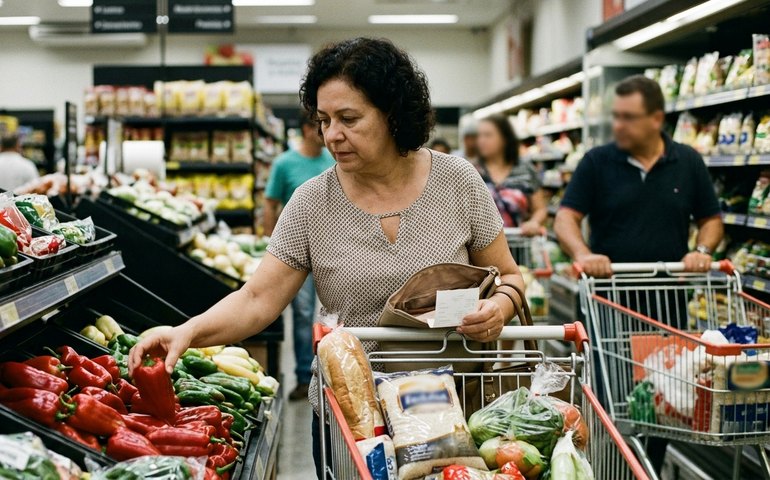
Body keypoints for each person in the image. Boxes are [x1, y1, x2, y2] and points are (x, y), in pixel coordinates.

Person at [129, 37, 525, 478]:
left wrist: (499, 307)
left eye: (349, 119)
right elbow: (258, 298)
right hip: (355, 422)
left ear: (393, 114)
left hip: (453, 413)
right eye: (324, 120)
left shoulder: (458, 182)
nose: (332, 134)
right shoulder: (312, 203)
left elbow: (509, 276)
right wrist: (186, 332)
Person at [553, 74, 723, 473]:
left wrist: (702, 250)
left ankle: (647, 470)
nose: (618, 126)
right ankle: (609, 468)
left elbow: (712, 220)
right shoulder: (597, 162)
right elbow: (565, 219)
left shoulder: (688, 161)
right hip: (607, 306)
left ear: (656, 119)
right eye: (616, 116)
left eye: (628, 117)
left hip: (665, 308)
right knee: (611, 404)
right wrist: (584, 253)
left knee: (666, 404)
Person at [263, 111, 335, 401]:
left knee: (334, 313)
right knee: (303, 312)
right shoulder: (284, 163)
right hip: (298, 252)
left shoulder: (334, 161)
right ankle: (305, 376)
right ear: (307, 129)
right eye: (322, 125)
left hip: (334, 247)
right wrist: (269, 243)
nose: (328, 133)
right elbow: (270, 204)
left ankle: (334, 374)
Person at [475, 114, 550, 236]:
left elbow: (540, 208)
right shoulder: (472, 170)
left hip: (518, 243)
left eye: (488, 135)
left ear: (504, 138)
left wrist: (534, 222)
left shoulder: (525, 169)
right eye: (479, 136)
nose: (481, 140)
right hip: (480, 250)